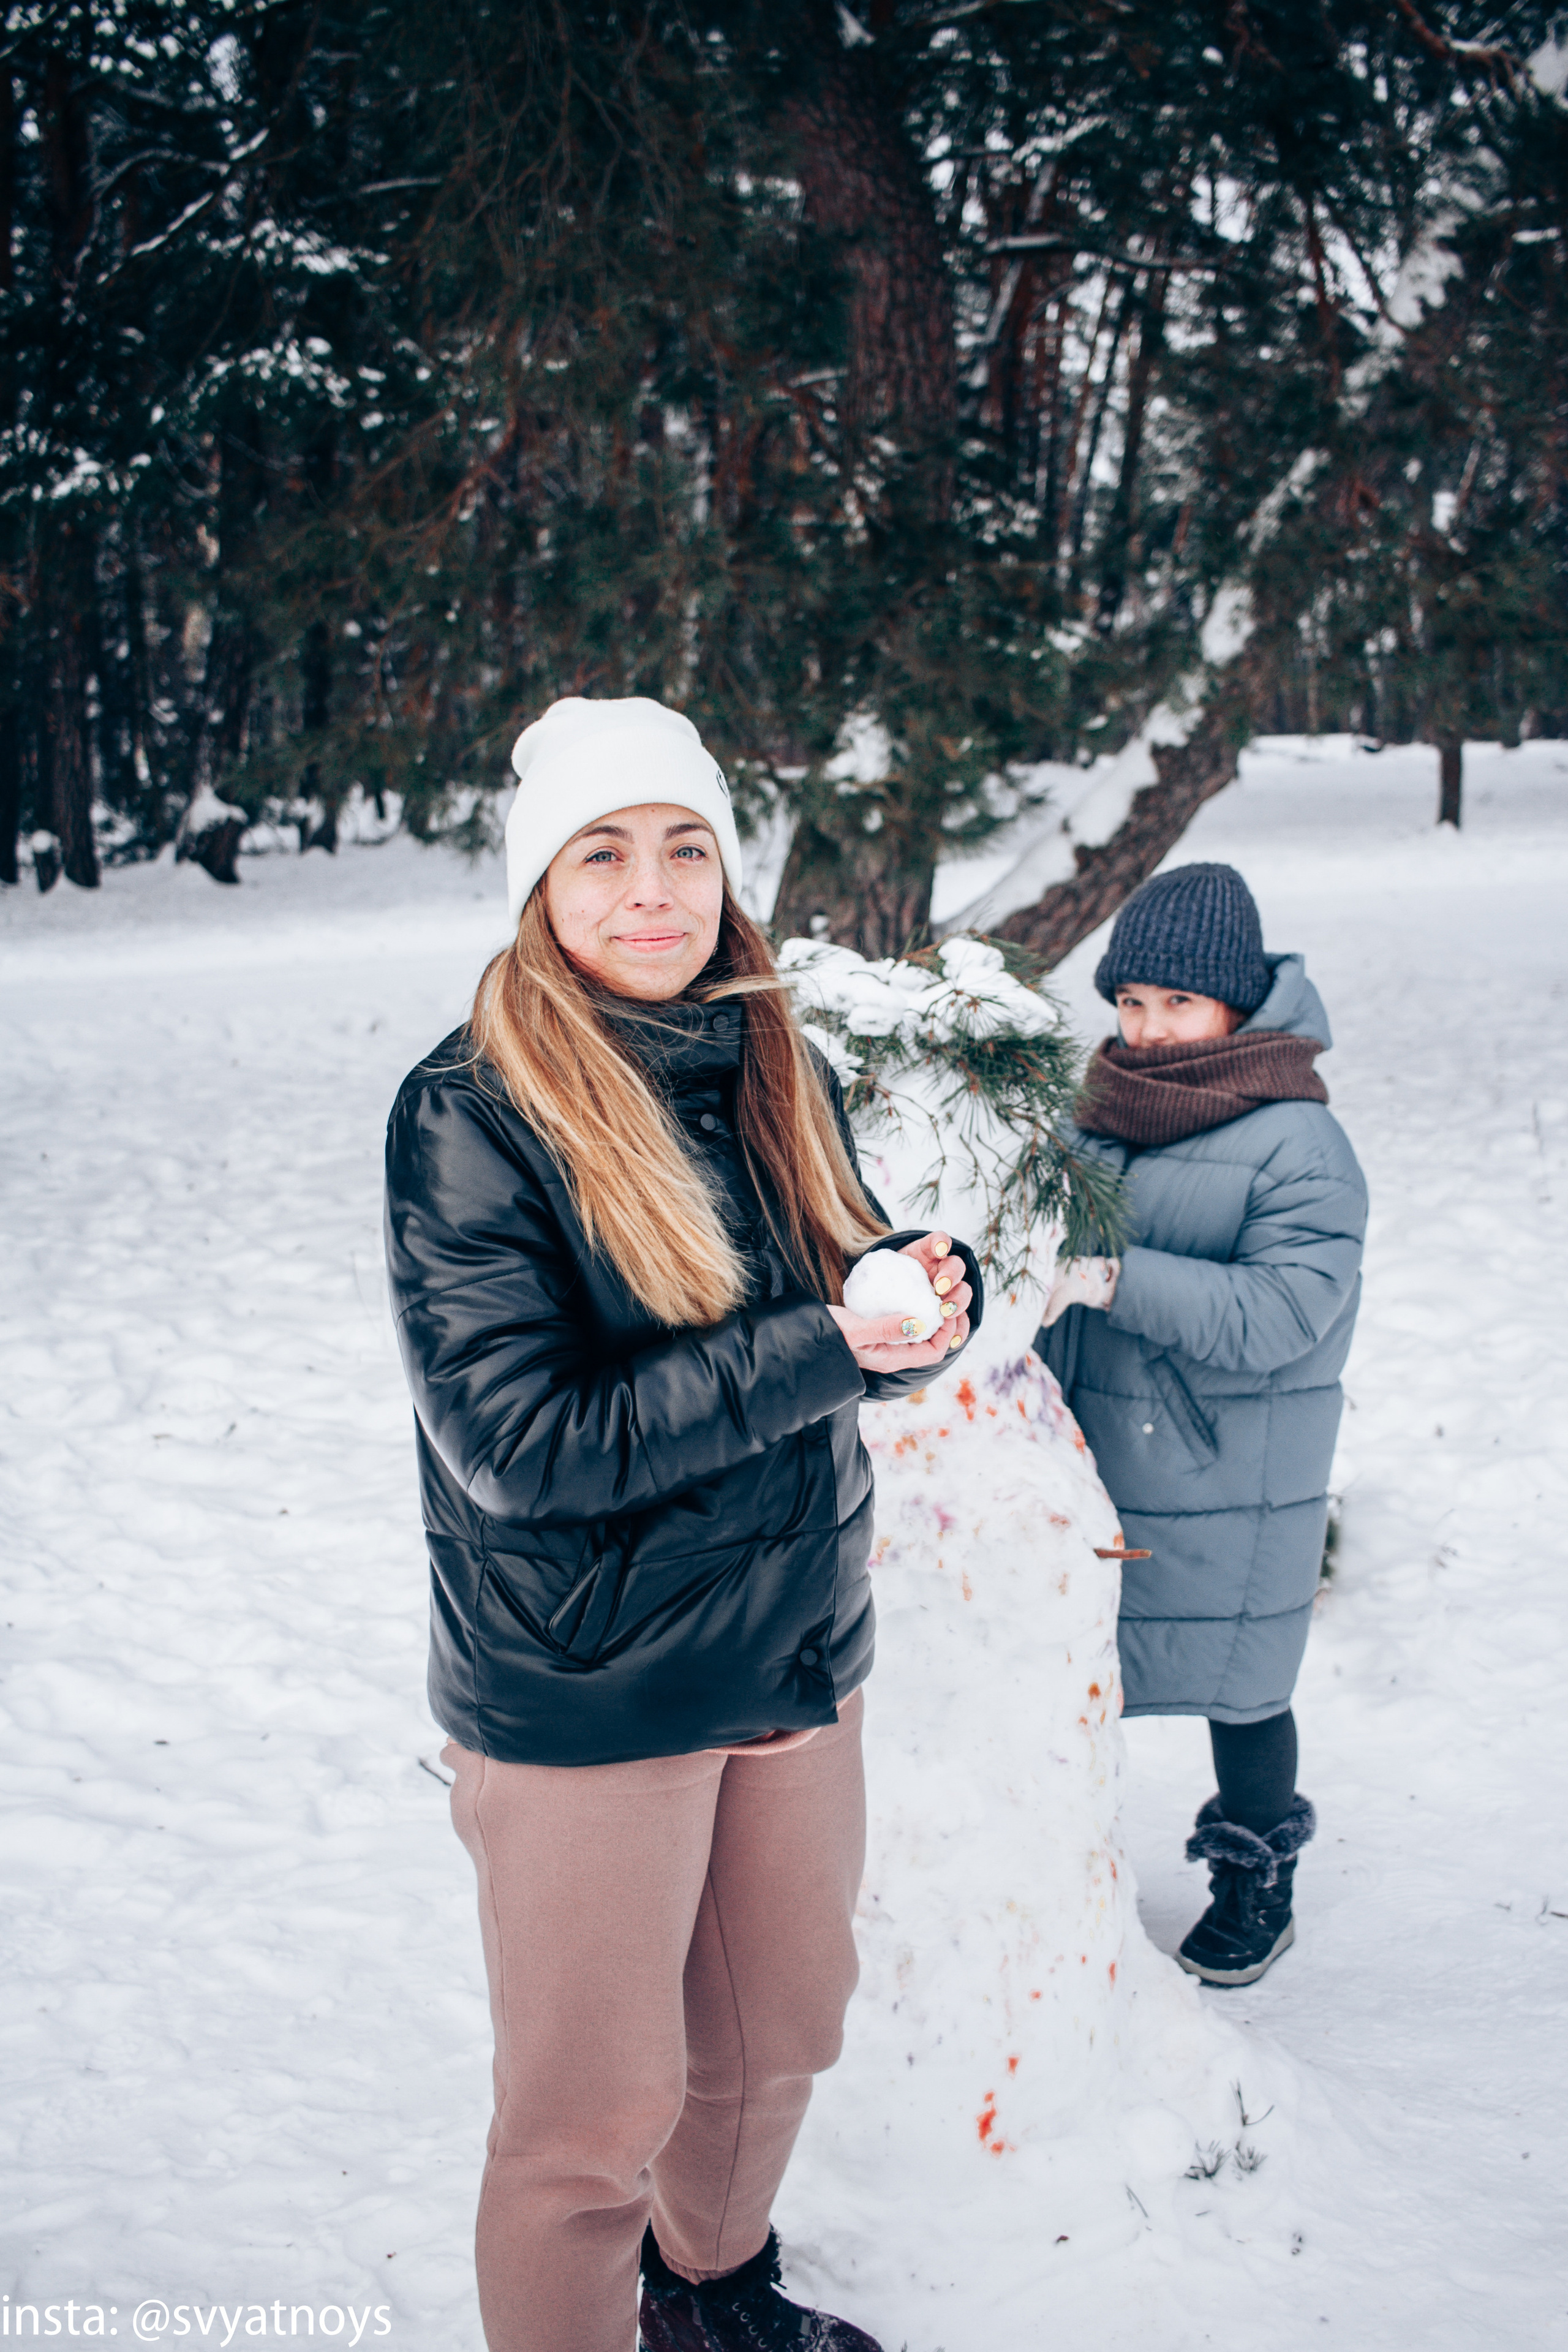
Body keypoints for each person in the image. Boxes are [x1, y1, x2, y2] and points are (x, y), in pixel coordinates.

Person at [383, 695, 981, 2352]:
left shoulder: (774, 1053)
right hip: (592, 1686)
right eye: (604, 854)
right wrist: (821, 1347)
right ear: (540, 887)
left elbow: (840, 1293)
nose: (653, 891)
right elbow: (520, 1444)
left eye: (685, 849)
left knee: (782, 2030)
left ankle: (713, 2292)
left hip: (794, 1645)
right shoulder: (472, 1113)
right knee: (589, 2121)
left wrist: (919, 1302)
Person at [1036, 862, 1366, 1988]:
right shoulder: (1101, 1121)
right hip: (1095, 1454)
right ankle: (1058, 1866)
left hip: (1229, 1465)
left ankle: (1255, 1872)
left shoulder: (1299, 1145)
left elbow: (1283, 1315)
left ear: (1236, 1003)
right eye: (1131, 1003)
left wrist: (1111, 1279)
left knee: (1242, 1683)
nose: (1150, 1029)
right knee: (1075, 1668)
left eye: (1177, 1003)